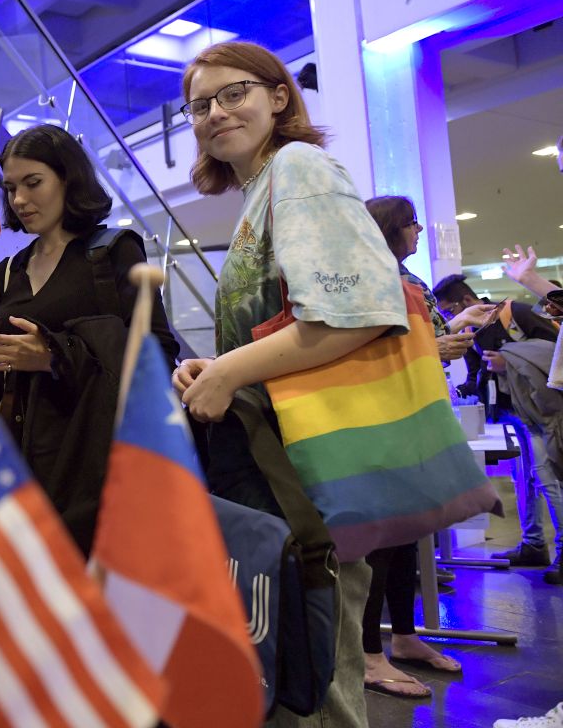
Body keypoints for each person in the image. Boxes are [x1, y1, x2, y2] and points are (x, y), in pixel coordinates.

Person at [170, 41, 408, 728]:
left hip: (311, 474)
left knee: (315, 678)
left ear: (280, 97)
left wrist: (231, 371)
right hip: (277, 468)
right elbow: (278, 330)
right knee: (295, 667)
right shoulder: (259, 191)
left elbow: (359, 314)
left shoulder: (299, 167)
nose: (215, 113)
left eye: (234, 93)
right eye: (200, 104)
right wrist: (214, 367)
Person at [0, 123, 179, 556]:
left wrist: (54, 355)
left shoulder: (113, 251)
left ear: (69, 179)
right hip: (23, 469)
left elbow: (157, 355)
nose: (20, 200)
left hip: (97, 466)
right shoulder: (7, 271)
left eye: (33, 183)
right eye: (10, 188)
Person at [359, 196, 494, 698]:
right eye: (410, 223)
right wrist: (432, 347)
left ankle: (405, 637)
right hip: (386, 413)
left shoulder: (406, 279)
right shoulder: (366, 277)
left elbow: (422, 337)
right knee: (382, 539)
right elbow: (362, 348)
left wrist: (455, 331)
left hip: (418, 407)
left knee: (408, 533)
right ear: (390, 229)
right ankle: (370, 651)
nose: (417, 231)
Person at [433, 270, 561, 575]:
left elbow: (555, 347)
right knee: (525, 478)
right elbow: (477, 372)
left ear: (467, 299)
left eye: (451, 309)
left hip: (540, 410)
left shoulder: (513, 312)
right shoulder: (475, 329)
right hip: (511, 411)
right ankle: (533, 544)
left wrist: (510, 359)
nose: (453, 315)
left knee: (548, 478)